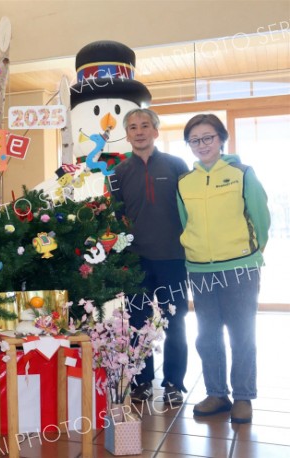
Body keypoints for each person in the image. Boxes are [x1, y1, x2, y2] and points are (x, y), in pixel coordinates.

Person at [178, 114, 270, 424]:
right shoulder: (184, 182)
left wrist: (251, 253)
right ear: (189, 144)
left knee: (242, 334)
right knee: (207, 336)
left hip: (240, 267)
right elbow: (184, 222)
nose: (202, 144)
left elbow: (260, 217)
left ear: (221, 139)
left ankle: (243, 396)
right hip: (200, 268)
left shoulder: (242, 173)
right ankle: (217, 392)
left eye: (208, 137)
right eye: (195, 139)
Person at [108, 108, 189, 405]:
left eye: (145, 126)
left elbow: (190, 210)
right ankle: (142, 382)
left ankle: (174, 383)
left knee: (176, 321)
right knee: (137, 323)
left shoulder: (177, 165)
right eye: (132, 127)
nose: (139, 131)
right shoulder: (118, 173)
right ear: (127, 135)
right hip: (136, 262)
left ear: (155, 131)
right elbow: (116, 219)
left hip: (173, 259)